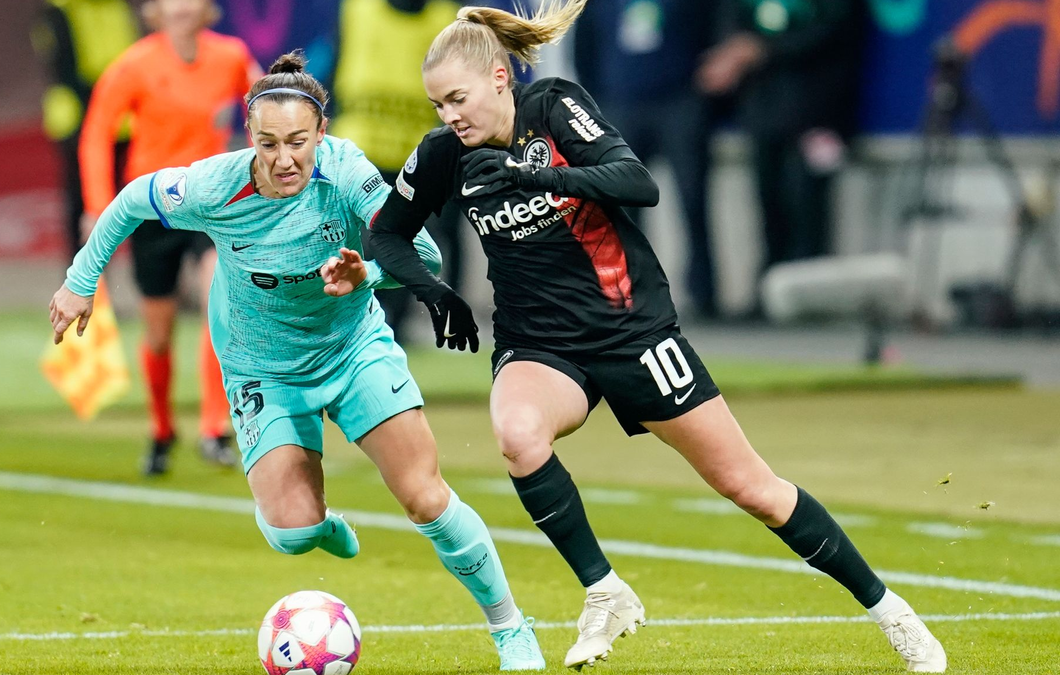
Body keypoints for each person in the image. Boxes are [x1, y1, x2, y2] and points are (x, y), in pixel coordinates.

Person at [365, 1, 947, 672]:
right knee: (517, 435)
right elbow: (386, 231)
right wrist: (435, 292)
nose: (448, 116)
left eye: (457, 99)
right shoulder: (446, 155)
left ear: (500, 77)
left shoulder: (553, 107)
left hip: (631, 329)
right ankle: (604, 590)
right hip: (541, 343)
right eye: (438, 105)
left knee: (752, 486)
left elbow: (638, 182)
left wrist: (542, 176)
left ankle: (889, 609)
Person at [49, 51, 546, 671]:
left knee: (424, 496)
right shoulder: (213, 185)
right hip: (263, 369)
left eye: (298, 142)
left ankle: (511, 629)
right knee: (292, 533)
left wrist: (366, 272)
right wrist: (80, 282)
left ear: (322, 134)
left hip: (351, 350)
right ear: (250, 137)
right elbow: (130, 201)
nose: (284, 159)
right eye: (268, 143)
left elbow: (423, 251)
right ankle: (320, 525)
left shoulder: (346, 174)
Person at [80, 0, 261, 474]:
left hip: (209, 203)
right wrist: (98, 206)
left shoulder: (232, 56)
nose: (182, 7)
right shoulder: (134, 64)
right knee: (157, 331)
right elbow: (97, 132)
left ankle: (215, 427)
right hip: (152, 207)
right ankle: (161, 430)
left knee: (218, 302)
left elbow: (267, 105)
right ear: (154, 11)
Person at [696, 0, 867, 280]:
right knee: (768, 200)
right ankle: (770, 287)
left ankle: (808, 288)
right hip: (763, 110)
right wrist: (734, 52)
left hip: (817, 111)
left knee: (807, 203)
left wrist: (764, 50)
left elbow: (833, 31)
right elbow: (731, 24)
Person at [330, 0, 468, 342]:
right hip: (361, 157)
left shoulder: (446, 19)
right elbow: (330, 68)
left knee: (422, 248)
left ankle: (398, 327)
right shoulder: (358, 10)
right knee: (355, 247)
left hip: (418, 159)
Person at [572, 0, 720, 318]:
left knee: (693, 200)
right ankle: (631, 294)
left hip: (679, 100)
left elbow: (709, 32)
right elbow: (584, 50)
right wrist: (599, 106)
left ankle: (704, 293)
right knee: (623, 210)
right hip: (622, 106)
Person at [30, 0, 139, 259]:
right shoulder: (59, 9)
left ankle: (159, 283)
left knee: (138, 197)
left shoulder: (116, 6)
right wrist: (111, 103)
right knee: (85, 203)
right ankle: (84, 282)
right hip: (79, 118)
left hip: (124, 119)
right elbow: (64, 69)